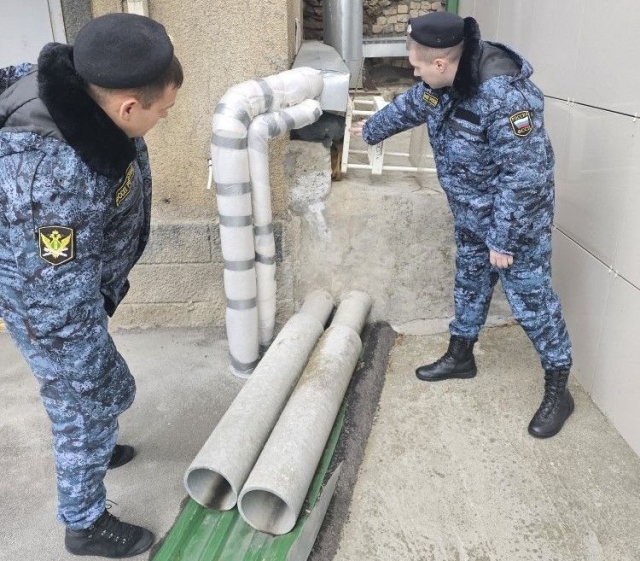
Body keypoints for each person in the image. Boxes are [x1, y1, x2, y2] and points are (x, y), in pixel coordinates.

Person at [0, 12, 182, 558]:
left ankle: (95, 446)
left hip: (69, 284)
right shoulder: (54, 182)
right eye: (162, 113)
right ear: (128, 107)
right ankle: (85, 523)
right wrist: (107, 386)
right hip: (45, 299)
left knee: (88, 393)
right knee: (83, 401)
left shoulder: (73, 87)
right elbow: (58, 314)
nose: (163, 120)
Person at [350, 11, 574, 439]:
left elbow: (525, 175)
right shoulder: (445, 83)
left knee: (533, 305)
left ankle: (559, 388)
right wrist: (373, 129)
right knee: (469, 284)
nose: (414, 72)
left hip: (515, 224)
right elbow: (416, 103)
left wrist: (504, 239)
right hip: (473, 213)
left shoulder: (508, 99)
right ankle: (461, 356)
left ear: (440, 63)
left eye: (416, 65)